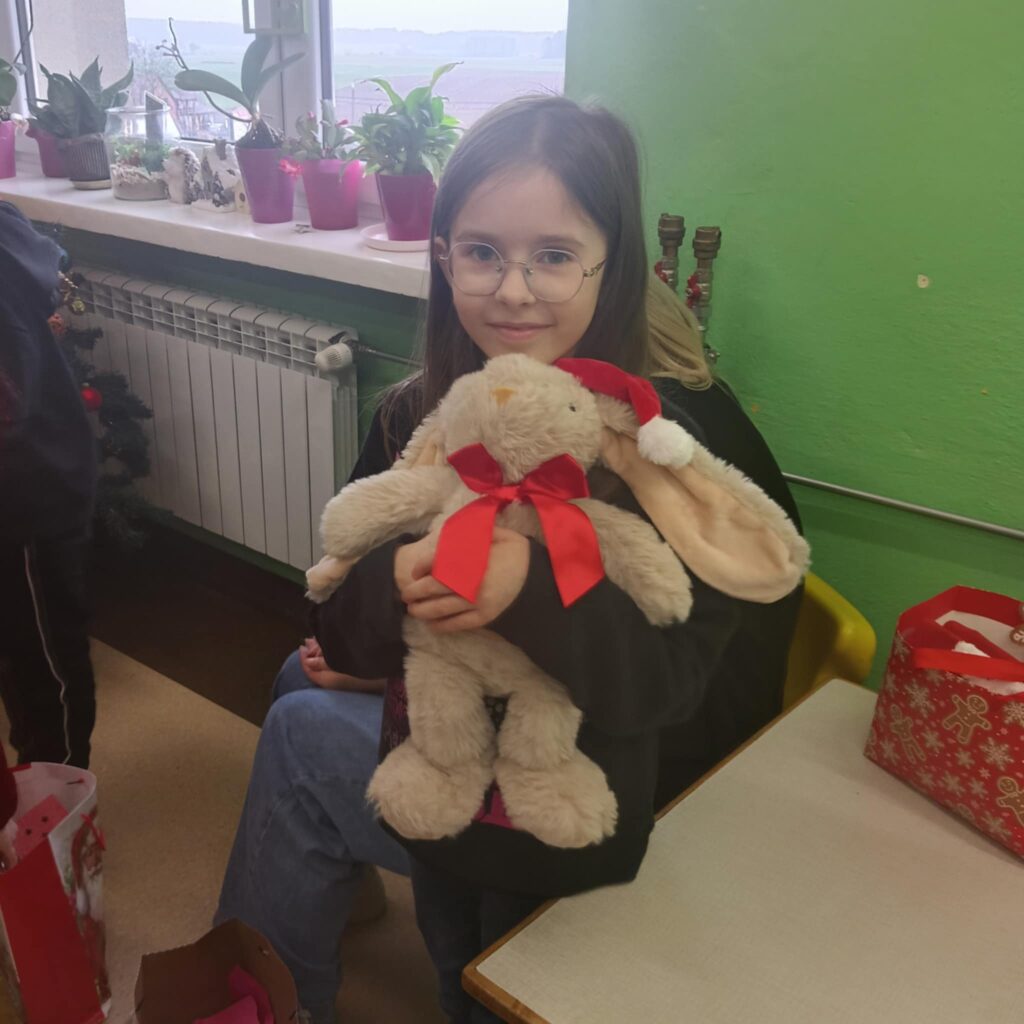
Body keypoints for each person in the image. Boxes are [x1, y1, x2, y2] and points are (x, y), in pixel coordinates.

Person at [217, 96, 803, 1024]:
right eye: (482, 252)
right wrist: (393, 592)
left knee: (305, 732)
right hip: (458, 769)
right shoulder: (428, 413)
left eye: (555, 256)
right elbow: (339, 600)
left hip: (607, 779)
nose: (515, 292)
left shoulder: (662, 450)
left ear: (611, 266)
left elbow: (685, 692)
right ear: (443, 256)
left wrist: (523, 590)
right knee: (450, 948)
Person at [0, 201, 98, 770]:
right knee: (22, 660)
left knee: (43, 664)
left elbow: (8, 405)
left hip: (25, 497)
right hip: (33, 480)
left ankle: (58, 789)